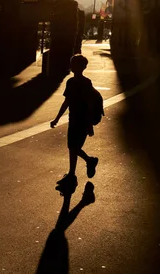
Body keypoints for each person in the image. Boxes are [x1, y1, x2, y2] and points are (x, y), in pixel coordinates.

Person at [50, 54, 99, 191]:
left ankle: (79, 169)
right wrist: (57, 118)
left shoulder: (86, 83)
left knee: (74, 147)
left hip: (83, 120)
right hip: (73, 119)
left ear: (82, 67)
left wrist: (89, 124)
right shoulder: (70, 82)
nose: (72, 66)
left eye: (74, 64)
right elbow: (67, 102)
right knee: (72, 147)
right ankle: (79, 169)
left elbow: (89, 104)